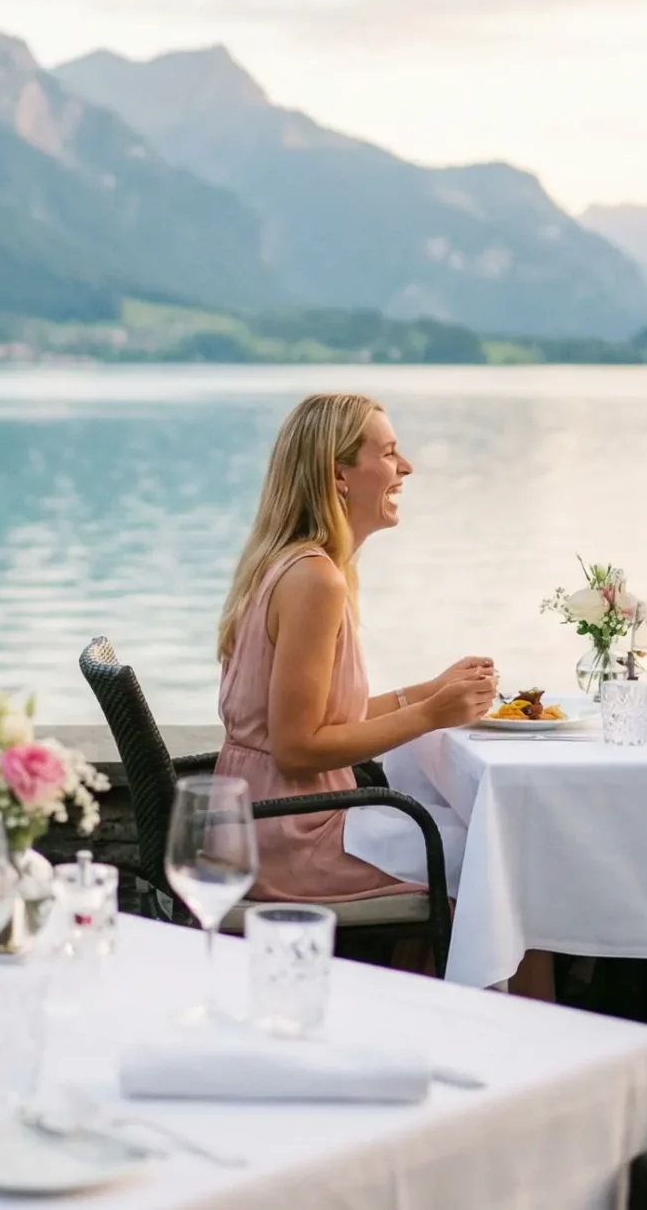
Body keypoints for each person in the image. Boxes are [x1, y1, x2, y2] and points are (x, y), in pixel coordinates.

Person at [213, 395, 527, 982]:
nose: (406, 467)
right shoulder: (315, 581)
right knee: (512, 869)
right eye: (387, 453)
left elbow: (324, 719)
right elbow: (297, 748)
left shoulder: (294, 565)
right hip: (296, 832)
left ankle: (432, 1015)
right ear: (339, 475)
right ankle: (521, 1042)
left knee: (483, 855)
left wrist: (425, 692)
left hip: (267, 819)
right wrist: (431, 713)